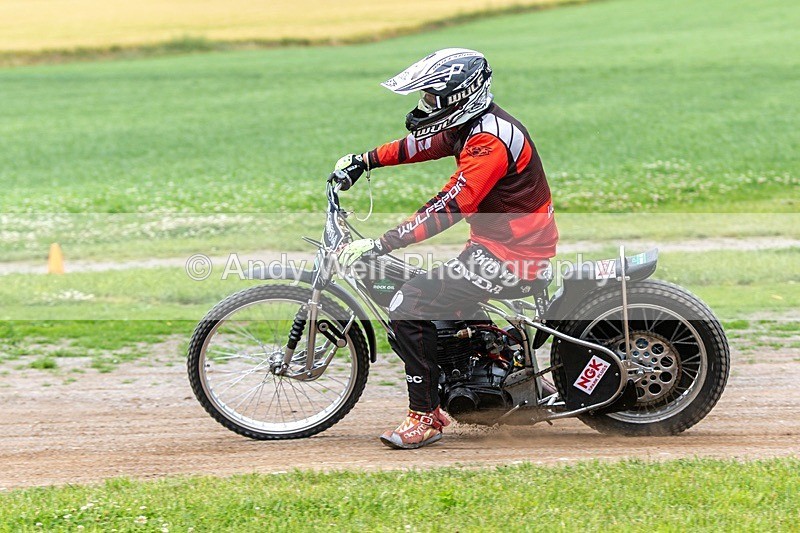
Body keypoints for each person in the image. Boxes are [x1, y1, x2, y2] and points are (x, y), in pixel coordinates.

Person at [329, 48, 558, 449]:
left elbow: (450, 205)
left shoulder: (489, 141)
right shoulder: (471, 124)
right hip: (500, 244)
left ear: (461, 96)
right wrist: (365, 161)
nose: (425, 106)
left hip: (513, 255)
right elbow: (420, 145)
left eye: (432, 99)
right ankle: (478, 360)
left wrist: (382, 243)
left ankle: (425, 416)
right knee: (431, 291)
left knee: (407, 301)